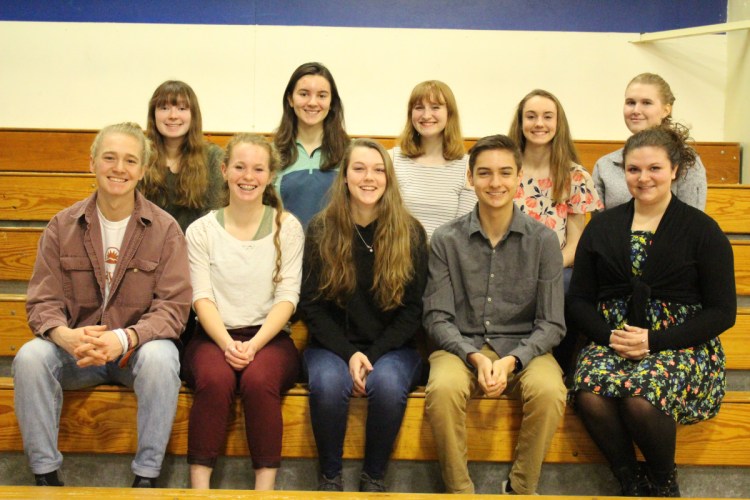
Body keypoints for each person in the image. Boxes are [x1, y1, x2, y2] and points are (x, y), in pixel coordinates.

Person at [13, 122, 191, 488]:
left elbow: (173, 309)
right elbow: (42, 301)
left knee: (162, 357)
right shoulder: (61, 226)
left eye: (130, 160)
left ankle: (146, 478)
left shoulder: (165, 229)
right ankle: (45, 476)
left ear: (143, 169)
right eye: (109, 158)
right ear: (91, 162)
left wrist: (124, 339)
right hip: (76, 354)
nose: (119, 168)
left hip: (133, 354)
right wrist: (64, 336)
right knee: (30, 357)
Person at [567, 125, 736, 496]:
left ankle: (663, 483)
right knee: (589, 391)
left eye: (654, 169)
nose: (644, 178)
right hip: (613, 340)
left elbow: (723, 312)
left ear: (674, 169)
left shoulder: (703, 230)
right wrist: (608, 337)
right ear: (623, 171)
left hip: (680, 345)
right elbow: (578, 299)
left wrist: (654, 341)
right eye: (633, 170)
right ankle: (629, 480)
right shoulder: (603, 227)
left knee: (641, 396)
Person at [424, 134, 566, 495]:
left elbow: (551, 323)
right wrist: (472, 355)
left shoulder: (544, 240)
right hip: (461, 345)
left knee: (550, 391)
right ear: (470, 178)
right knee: (442, 390)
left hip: (524, 347)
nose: (495, 183)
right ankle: (460, 491)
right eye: (484, 173)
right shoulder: (445, 239)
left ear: (519, 176)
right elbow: (437, 317)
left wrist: (512, 362)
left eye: (505, 173)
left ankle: (520, 488)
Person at [300, 139, 428, 492]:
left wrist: (369, 356)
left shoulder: (410, 232)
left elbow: (412, 310)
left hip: (392, 349)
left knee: (386, 385)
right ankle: (330, 479)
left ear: (388, 178)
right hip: (332, 346)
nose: (368, 178)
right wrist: (348, 354)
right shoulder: (322, 229)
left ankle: (373, 480)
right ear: (344, 177)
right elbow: (310, 305)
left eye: (377, 170)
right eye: (359, 168)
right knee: (328, 384)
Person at [184, 133, 303, 490]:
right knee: (215, 380)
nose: (247, 176)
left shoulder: (288, 227)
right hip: (212, 335)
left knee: (258, 380)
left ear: (269, 176)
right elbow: (201, 298)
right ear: (224, 170)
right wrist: (226, 343)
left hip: (268, 338)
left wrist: (253, 345)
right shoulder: (201, 230)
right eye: (239, 166)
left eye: (257, 168)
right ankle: (199, 489)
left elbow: (287, 297)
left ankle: (263, 491)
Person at [509, 89, 602, 290]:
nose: (539, 123)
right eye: (531, 116)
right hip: (506, 267)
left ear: (558, 123)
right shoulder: (505, 172)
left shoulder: (576, 176)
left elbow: (574, 244)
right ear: (520, 122)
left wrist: (546, 268)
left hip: (555, 270)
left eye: (548, 117)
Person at [592, 73, 707, 211]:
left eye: (646, 103)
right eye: (630, 102)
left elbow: (692, 222)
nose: (636, 110)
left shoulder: (687, 161)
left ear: (666, 110)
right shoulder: (605, 165)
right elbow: (599, 227)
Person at [390, 80, 476, 239]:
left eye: (435, 107)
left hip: (446, 259)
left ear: (449, 113)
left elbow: (462, 231)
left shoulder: (468, 167)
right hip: (399, 258)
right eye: (419, 107)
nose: (426, 115)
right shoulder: (392, 159)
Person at [139, 80, 225, 234]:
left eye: (182, 108)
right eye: (164, 108)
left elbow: (215, 215)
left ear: (193, 115)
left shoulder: (213, 157)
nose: (173, 116)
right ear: (153, 115)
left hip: (197, 249)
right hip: (149, 249)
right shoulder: (140, 155)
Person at [273, 62, 349, 227]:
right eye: (304, 94)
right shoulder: (271, 152)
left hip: (337, 249)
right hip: (285, 248)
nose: (313, 102)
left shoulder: (351, 151)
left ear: (331, 102)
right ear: (290, 99)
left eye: (322, 95)